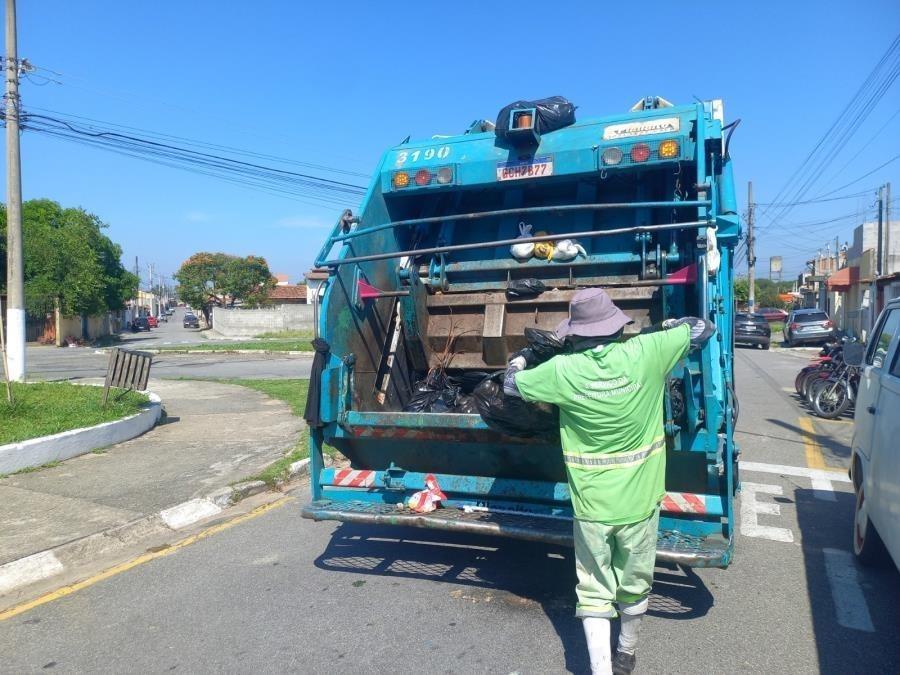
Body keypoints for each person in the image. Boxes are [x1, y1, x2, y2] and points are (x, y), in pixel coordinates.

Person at [503, 288, 714, 675]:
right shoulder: (648, 351)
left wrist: (521, 358)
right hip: (640, 501)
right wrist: (665, 326)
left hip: (592, 506)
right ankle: (627, 652)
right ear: (617, 326)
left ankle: (600, 670)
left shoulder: (562, 370)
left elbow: (511, 387)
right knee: (635, 582)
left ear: (576, 333)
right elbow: (703, 329)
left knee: (594, 588)